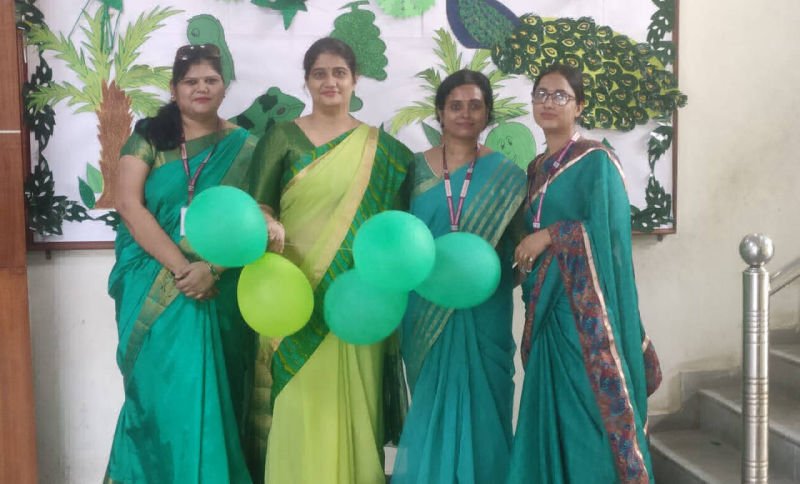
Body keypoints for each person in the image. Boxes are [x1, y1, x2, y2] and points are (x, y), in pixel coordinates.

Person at [242, 37, 413, 484]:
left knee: (357, 399)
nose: (330, 82)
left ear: (355, 80)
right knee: (296, 399)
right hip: (292, 292)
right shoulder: (282, 137)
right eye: (319, 73)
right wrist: (267, 221)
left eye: (339, 72)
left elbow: (396, 229)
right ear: (306, 81)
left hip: (358, 297)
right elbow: (257, 205)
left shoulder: (386, 151)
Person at [105, 43, 258, 483]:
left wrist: (211, 268)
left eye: (211, 80)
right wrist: (182, 268)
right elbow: (128, 205)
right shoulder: (149, 138)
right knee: (157, 394)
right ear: (174, 89)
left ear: (224, 87)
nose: (201, 88)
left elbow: (254, 217)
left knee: (216, 393)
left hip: (218, 285)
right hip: (152, 277)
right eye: (191, 81)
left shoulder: (245, 146)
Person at [506, 63, 662, 484]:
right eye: (541, 94)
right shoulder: (535, 168)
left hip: (583, 318)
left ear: (579, 106)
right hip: (545, 309)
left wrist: (552, 235)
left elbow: (610, 234)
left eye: (560, 95)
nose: (548, 102)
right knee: (550, 411)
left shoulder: (597, 161)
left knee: (588, 414)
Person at [390, 70, 527, 484]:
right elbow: (397, 238)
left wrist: (489, 282)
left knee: (485, 400)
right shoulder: (412, 170)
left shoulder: (507, 176)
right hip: (424, 307)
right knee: (430, 400)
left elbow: (519, 249)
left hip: (486, 310)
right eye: (455, 106)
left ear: (487, 113)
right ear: (440, 112)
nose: (465, 114)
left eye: (475, 106)